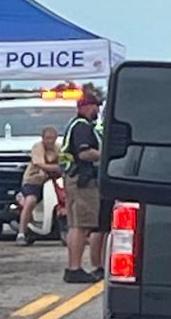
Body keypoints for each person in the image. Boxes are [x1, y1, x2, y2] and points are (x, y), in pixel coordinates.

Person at [60, 92, 105, 284]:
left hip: (74, 179)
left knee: (76, 225)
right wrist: (105, 155)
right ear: (86, 106)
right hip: (83, 181)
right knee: (81, 225)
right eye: (96, 105)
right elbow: (84, 153)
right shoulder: (82, 127)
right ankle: (75, 268)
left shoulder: (77, 126)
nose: (97, 110)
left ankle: (74, 267)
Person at [15, 126, 62, 246]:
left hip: (51, 181)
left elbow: (66, 161)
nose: (50, 141)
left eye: (52, 138)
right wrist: (58, 168)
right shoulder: (37, 147)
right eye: (47, 138)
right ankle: (21, 233)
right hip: (33, 181)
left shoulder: (59, 148)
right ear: (43, 138)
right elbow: (39, 163)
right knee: (31, 201)